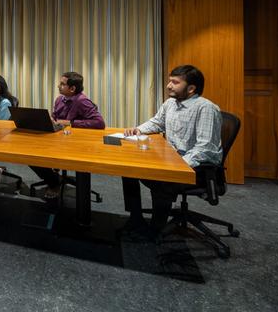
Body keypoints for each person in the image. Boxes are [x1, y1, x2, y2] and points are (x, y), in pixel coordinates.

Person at [121, 65, 222, 239]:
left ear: (191, 88)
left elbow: (204, 149)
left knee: (163, 180)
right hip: (173, 160)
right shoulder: (170, 104)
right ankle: (135, 218)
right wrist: (138, 129)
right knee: (128, 168)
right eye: (170, 81)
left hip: (197, 169)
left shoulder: (205, 108)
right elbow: (157, 123)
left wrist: (176, 166)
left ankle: (155, 230)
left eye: (175, 82)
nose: (169, 85)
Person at [31, 71, 105, 198]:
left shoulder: (82, 101)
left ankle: (54, 183)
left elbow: (99, 123)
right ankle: (54, 178)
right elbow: (56, 117)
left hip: (76, 144)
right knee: (30, 154)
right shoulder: (59, 99)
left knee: (37, 156)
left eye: (62, 84)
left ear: (72, 88)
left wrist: (71, 122)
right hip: (59, 139)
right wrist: (50, 119)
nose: (58, 86)